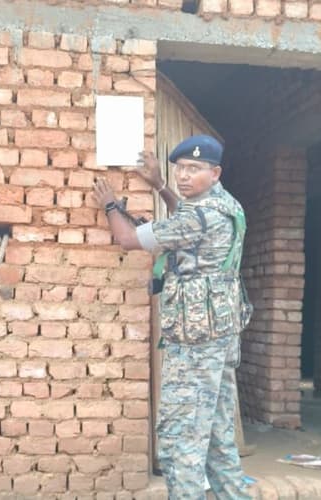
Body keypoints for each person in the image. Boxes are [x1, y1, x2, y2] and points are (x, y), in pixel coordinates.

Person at [92, 135, 252, 499]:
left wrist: (111, 205)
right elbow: (186, 222)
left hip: (194, 347)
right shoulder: (227, 205)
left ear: (215, 173)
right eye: (179, 168)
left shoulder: (197, 216)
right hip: (220, 340)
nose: (184, 176)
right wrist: (161, 186)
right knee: (219, 442)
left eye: (194, 169)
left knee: (181, 445)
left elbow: (128, 239)